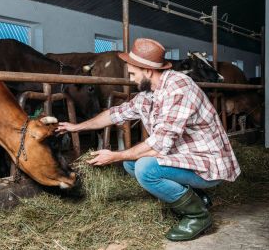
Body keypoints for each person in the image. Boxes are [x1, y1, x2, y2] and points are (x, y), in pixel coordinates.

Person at [56, 38, 240, 241]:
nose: (132, 79)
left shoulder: (179, 90)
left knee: (145, 168)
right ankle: (197, 197)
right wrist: (76, 127)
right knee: (130, 162)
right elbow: (115, 113)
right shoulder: (149, 93)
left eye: (133, 73)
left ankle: (196, 216)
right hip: (185, 155)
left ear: (148, 70)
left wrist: (114, 156)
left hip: (208, 164)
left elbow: (158, 146)